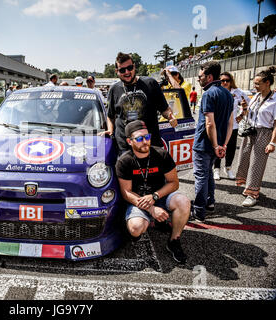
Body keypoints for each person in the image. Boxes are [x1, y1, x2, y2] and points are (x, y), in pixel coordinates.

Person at [116, 120, 190, 264]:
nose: (145, 141)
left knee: (183, 202)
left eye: (147, 137)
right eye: (139, 138)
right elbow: (127, 193)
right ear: (129, 142)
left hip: (160, 195)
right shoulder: (124, 161)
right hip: (138, 201)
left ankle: (174, 240)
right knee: (136, 228)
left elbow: (174, 183)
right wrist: (151, 209)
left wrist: (155, 196)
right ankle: (147, 222)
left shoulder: (161, 154)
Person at [100, 52, 178, 154]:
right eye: (122, 70)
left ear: (134, 66)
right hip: (125, 147)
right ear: (117, 71)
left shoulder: (150, 83)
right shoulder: (114, 89)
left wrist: (170, 116)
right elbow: (110, 116)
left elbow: (164, 109)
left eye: (130, 68)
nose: (127, 72)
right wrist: (110, 130)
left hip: (150, 144)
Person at [191, 61, 234, 222]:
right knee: (208, 173)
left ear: (209, 77)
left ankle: (199, 211)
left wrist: (216, 145)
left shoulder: (209, 94)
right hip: (218, 143)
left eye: (200, 76)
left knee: (201, 176)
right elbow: (230, 123)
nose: (198, 79)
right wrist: (223, 144)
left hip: (205, 143)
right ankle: (210, 202)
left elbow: (210, 123)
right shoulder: (228, 94)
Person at [235, 66, 276, 207]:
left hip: (264, 133)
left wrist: (272, 142)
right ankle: (248, 186)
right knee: (244, 160)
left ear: (267, 83)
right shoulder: (256, 96)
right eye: (254, 83)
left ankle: (253, 194)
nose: (255, 86)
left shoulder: (275, 100)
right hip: (250, 131)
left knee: (256, 164)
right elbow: (249, 114)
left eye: (258, 83)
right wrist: (244, 109)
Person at [213, 72, 250, 180]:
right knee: (218, 146)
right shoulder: (216, 91)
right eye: (222, 80)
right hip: (219, 125)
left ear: (231, 81)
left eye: (227, 80)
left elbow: (249, 104)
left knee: (231, 148)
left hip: (233, 125)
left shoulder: (237, 92)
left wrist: (242, 115)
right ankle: (216, 169)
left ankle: (228, 168)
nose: (224, 82)